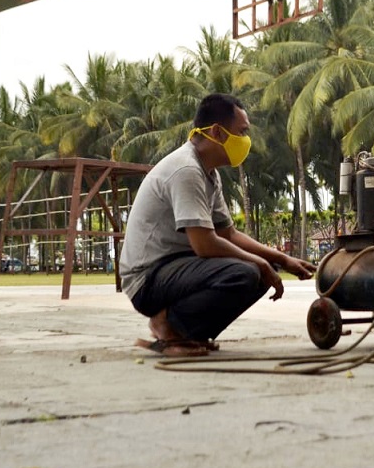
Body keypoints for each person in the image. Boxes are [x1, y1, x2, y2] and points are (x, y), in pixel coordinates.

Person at [121, 93, 316, 356]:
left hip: (175, 268)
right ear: (217, 131)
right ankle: (169, 328)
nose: (246, 140)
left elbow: (228, 233)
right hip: (147, 278)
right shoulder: (186, 170)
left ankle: (188, 332)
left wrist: (281, 259)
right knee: (246, 272)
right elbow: (204, 245)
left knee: (259, 272)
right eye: (241, 132)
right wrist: (259, 263)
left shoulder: (208, 173)